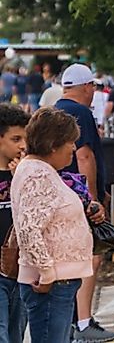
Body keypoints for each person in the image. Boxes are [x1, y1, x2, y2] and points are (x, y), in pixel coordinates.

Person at [11, 108, 93, 343]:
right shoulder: (38, 175)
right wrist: (47, 274)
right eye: (70, 142)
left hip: (57, 281)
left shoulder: (39, 170)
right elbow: (29, 228)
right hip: (52, 284)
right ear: (53, 144)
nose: (74, 148)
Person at [54, 64, 114, 342]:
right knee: (91, 255)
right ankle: (83, 322)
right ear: (85, 87)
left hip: (58, 192)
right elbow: (85, 157)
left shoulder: (54, 110)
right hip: (78, 194)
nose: (94, 91)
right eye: (92, 86)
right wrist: (93, 198)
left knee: (68, 259)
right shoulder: (80, 113)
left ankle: (69, 323)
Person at [0, 104, 28, 343]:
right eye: (15, 138)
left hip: (20, 268)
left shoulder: (26, 172)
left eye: (25, 139)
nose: (22, 145)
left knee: (15, 334)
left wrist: (21, 178)